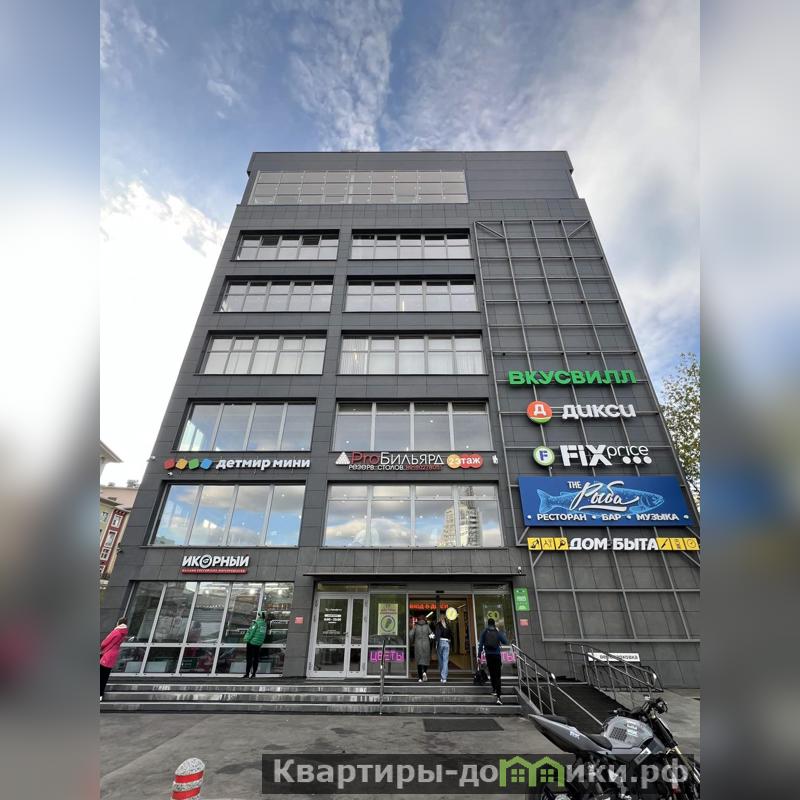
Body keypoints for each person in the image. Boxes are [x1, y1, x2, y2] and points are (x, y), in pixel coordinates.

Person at [477, 617, 508, 704]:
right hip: (497, 655)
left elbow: (480, 644)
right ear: (494, 624)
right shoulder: (497, 632)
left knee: (492, 673)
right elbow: (505, 641)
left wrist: (479, 656)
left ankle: (494, 689)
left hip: (489, 655)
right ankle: (498, 696)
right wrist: (499, 632)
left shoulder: (485, 632)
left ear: (488, 624)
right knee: (497, 675)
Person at [100, 616, 128, 700]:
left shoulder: (116, 631)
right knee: (105, 676)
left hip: (107, 655)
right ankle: (100, 695)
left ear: (119, 623)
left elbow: (104, 643)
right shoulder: (123, 633)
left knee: (101, 675)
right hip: (113, 656)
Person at [243, 611, 267, 678]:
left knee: (249, 658)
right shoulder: (264, 624)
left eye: (258, 615)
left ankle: (247, 674)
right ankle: (253, 674)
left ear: (259, 616)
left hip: (252, 643)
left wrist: (246, 639)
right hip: (258, 644)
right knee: (256, 659)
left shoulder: (256, 623)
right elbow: (263, 634)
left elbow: (251, 632)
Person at [411, 614, 434, 682]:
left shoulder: (416, 626)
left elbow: (410, 634)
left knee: (419, 661)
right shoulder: (427, 626)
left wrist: (412, 641)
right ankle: (424, 672)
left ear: (418, 620)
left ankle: (420, 678)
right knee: (425, 660)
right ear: (424, 619)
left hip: (418, 645)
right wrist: (430, 641)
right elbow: (432, 635)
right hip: (426, 644)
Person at [434, 611, 453, 683]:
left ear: (439, 618)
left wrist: (436, 643)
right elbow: (451, 633)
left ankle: (443, 676)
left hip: (440, 643)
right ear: (444, 617)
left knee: (441, 660)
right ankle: (444, 678)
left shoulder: (438, 625)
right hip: (447, 643)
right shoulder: (448, 625)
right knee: (445, 660)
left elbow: (437, 634)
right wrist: (449, 640)